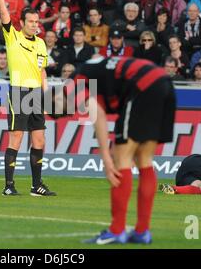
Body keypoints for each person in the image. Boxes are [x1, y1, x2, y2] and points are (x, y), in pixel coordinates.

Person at [59, 53, 176, 244]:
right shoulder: (92, 72)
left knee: (121, 161)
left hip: (142, 86)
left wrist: (105, 158)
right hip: (162, 82)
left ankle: (117, 230)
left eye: (65, 110)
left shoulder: (72, 85)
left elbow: (98, 116)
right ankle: (142, 232)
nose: (72, 111)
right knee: (144, 160)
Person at [0, 0, 56, 197]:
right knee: (17, 137)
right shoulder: (13, 37)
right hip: (19, 92)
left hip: (37, 94)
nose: (35, 25)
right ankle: (9, 186)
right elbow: (3, 11)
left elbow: (42, 71)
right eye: (31, 22)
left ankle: (36, 185)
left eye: (37, 22)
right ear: (22, 23)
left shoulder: (40, 43)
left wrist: (46, 98)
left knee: (39, 139)